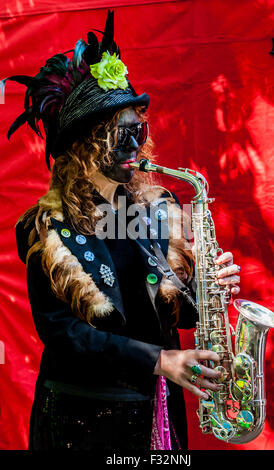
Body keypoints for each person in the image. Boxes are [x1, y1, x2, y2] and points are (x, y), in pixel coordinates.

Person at [4, 11, 241, 450]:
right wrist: (158, 360)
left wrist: (209, 288)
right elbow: (64, 334)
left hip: (157, 410)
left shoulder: (159, 209)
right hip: (83, 418)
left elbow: (181, 316)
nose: (134, 147)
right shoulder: (44, 227)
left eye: (138, 131)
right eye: (118, 136)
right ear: (82, 146)